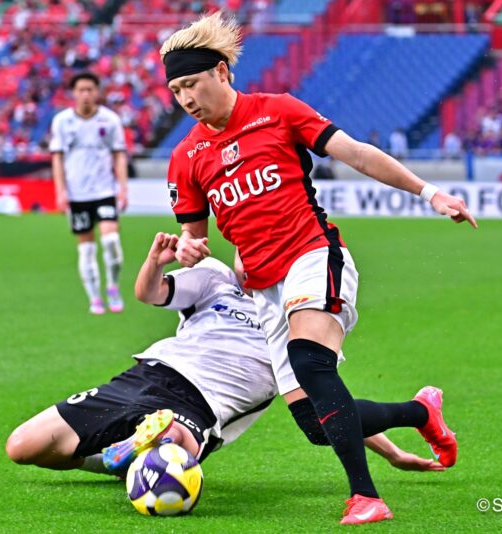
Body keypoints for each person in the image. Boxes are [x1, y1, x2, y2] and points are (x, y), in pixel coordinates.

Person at [160, 12, 475, 524]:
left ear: (221, 71)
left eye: (192, 83)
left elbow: (356, 154)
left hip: (314, 254)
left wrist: (430, 193)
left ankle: (366, 497)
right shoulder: (186, 156)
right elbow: (194, 238)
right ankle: (421, 412)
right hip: (262, 288)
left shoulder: (278, 112)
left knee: (309, 361)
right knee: (314, 421)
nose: (186, 98)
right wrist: (188, 250)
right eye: (176, 90)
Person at [5, 233, 449, 480]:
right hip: (148, 374)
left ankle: (151, 449)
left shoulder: (296, 316)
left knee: (174, 442)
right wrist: (156, 260)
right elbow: (149, 293)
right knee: (22, 447)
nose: (249, 260)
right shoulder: (214, 277)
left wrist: (391, 453)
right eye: (244, 251)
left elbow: (329, 406)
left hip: (201, 407)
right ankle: (118, 460)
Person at [49, 72, 129, 315]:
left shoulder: (110, 120)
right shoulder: (62, 121)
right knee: (86, 249)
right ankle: (94, 296)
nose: (86, 94)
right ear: (74, 93)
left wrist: (123, 188)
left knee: (111, 241)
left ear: (97, 92)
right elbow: (57, 158)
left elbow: (119, 154)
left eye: (90, 89)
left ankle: (113, 286)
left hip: (104, 191)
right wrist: (60, 191)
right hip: (77, 194)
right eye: (81, 90)